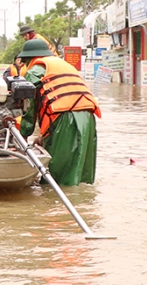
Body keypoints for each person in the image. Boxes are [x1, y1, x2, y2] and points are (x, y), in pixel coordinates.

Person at [17, 38, 101, 185]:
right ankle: (85, 204)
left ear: (30, 58)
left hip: (65, 117)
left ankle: (54, 205)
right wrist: (43, 137)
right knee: (81, 173)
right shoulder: (64, 65)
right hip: (88, 116)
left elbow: (29, 108)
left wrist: (23, 134)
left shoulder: (35, 70)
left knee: (58, 175)